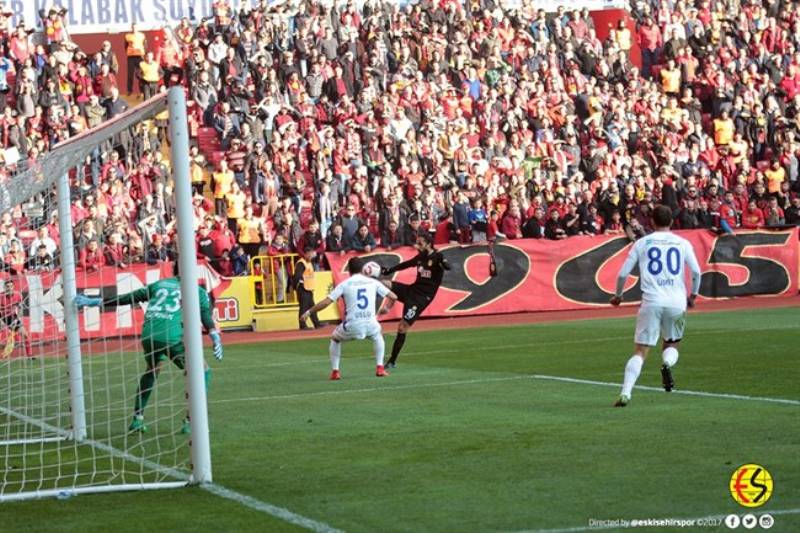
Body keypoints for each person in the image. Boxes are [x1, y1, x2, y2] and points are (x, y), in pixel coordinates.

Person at [74, 263, 223, 433]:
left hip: (148, 335)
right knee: (202, 371)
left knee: (152, 370)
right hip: (171, 338)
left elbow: (128, 297)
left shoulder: (159, 285)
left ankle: (137, 419)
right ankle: (192, 421)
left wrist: (97, 301)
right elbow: (204, 315)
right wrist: (214, 335)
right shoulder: (197, 291)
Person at [609, 205, 701, 407]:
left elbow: (623, 273)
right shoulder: (682, 243)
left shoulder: (642, 243)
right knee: (672, 342)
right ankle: (667, 364)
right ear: (671, 221)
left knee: (640, 350)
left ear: (651, 222)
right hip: (676, 301)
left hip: (651, 301)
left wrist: (618, 295)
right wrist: (693, 294)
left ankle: (626, 393)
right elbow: (696, 272)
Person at [301, 257, 398, 380]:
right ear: (363, 269)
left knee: (335, 339)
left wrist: (309, 312)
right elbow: (393, 296)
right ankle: (380, 368)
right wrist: (387, 309)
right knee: (378, 336)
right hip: (370, 323)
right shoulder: (373, 282)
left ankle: (335, 371)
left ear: (349, 271)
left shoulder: (344, 284)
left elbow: (326, 302)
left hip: (352, 325)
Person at [380, 232, 450, 368]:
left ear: (428, 244)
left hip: (421, 299)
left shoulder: (437, 257)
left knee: (402, 327)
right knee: (385, 283)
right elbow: (407, 264)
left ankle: (392, 361)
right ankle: (387, 307)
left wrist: (444, 263)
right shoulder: (422, 257)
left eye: (420, 243)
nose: (417, 246)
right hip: (412, 290)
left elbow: (449, 267)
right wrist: (390, 270)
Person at [0, 279, 33, 358]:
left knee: (25, 335)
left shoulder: (18, 295)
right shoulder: (0, 297)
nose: (9, 288)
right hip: (2, 317)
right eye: (7, 286)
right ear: (4, 288)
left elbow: (20, 309)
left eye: (11, 286)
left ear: (13, 287)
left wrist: (18, 318)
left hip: (12, 318)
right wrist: (1, 322)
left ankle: (30, 355)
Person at [293, 246, 321, 329]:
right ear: (305, 254)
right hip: (303, 288)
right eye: (310, 254)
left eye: (312, 254)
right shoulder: (301, 263)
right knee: (304, 307)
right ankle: (302, 325)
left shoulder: (309, 263)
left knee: (312, 306)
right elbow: (297, 275)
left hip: (308, 287)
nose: (311, 255)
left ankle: (317, 323)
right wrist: (296, 286)